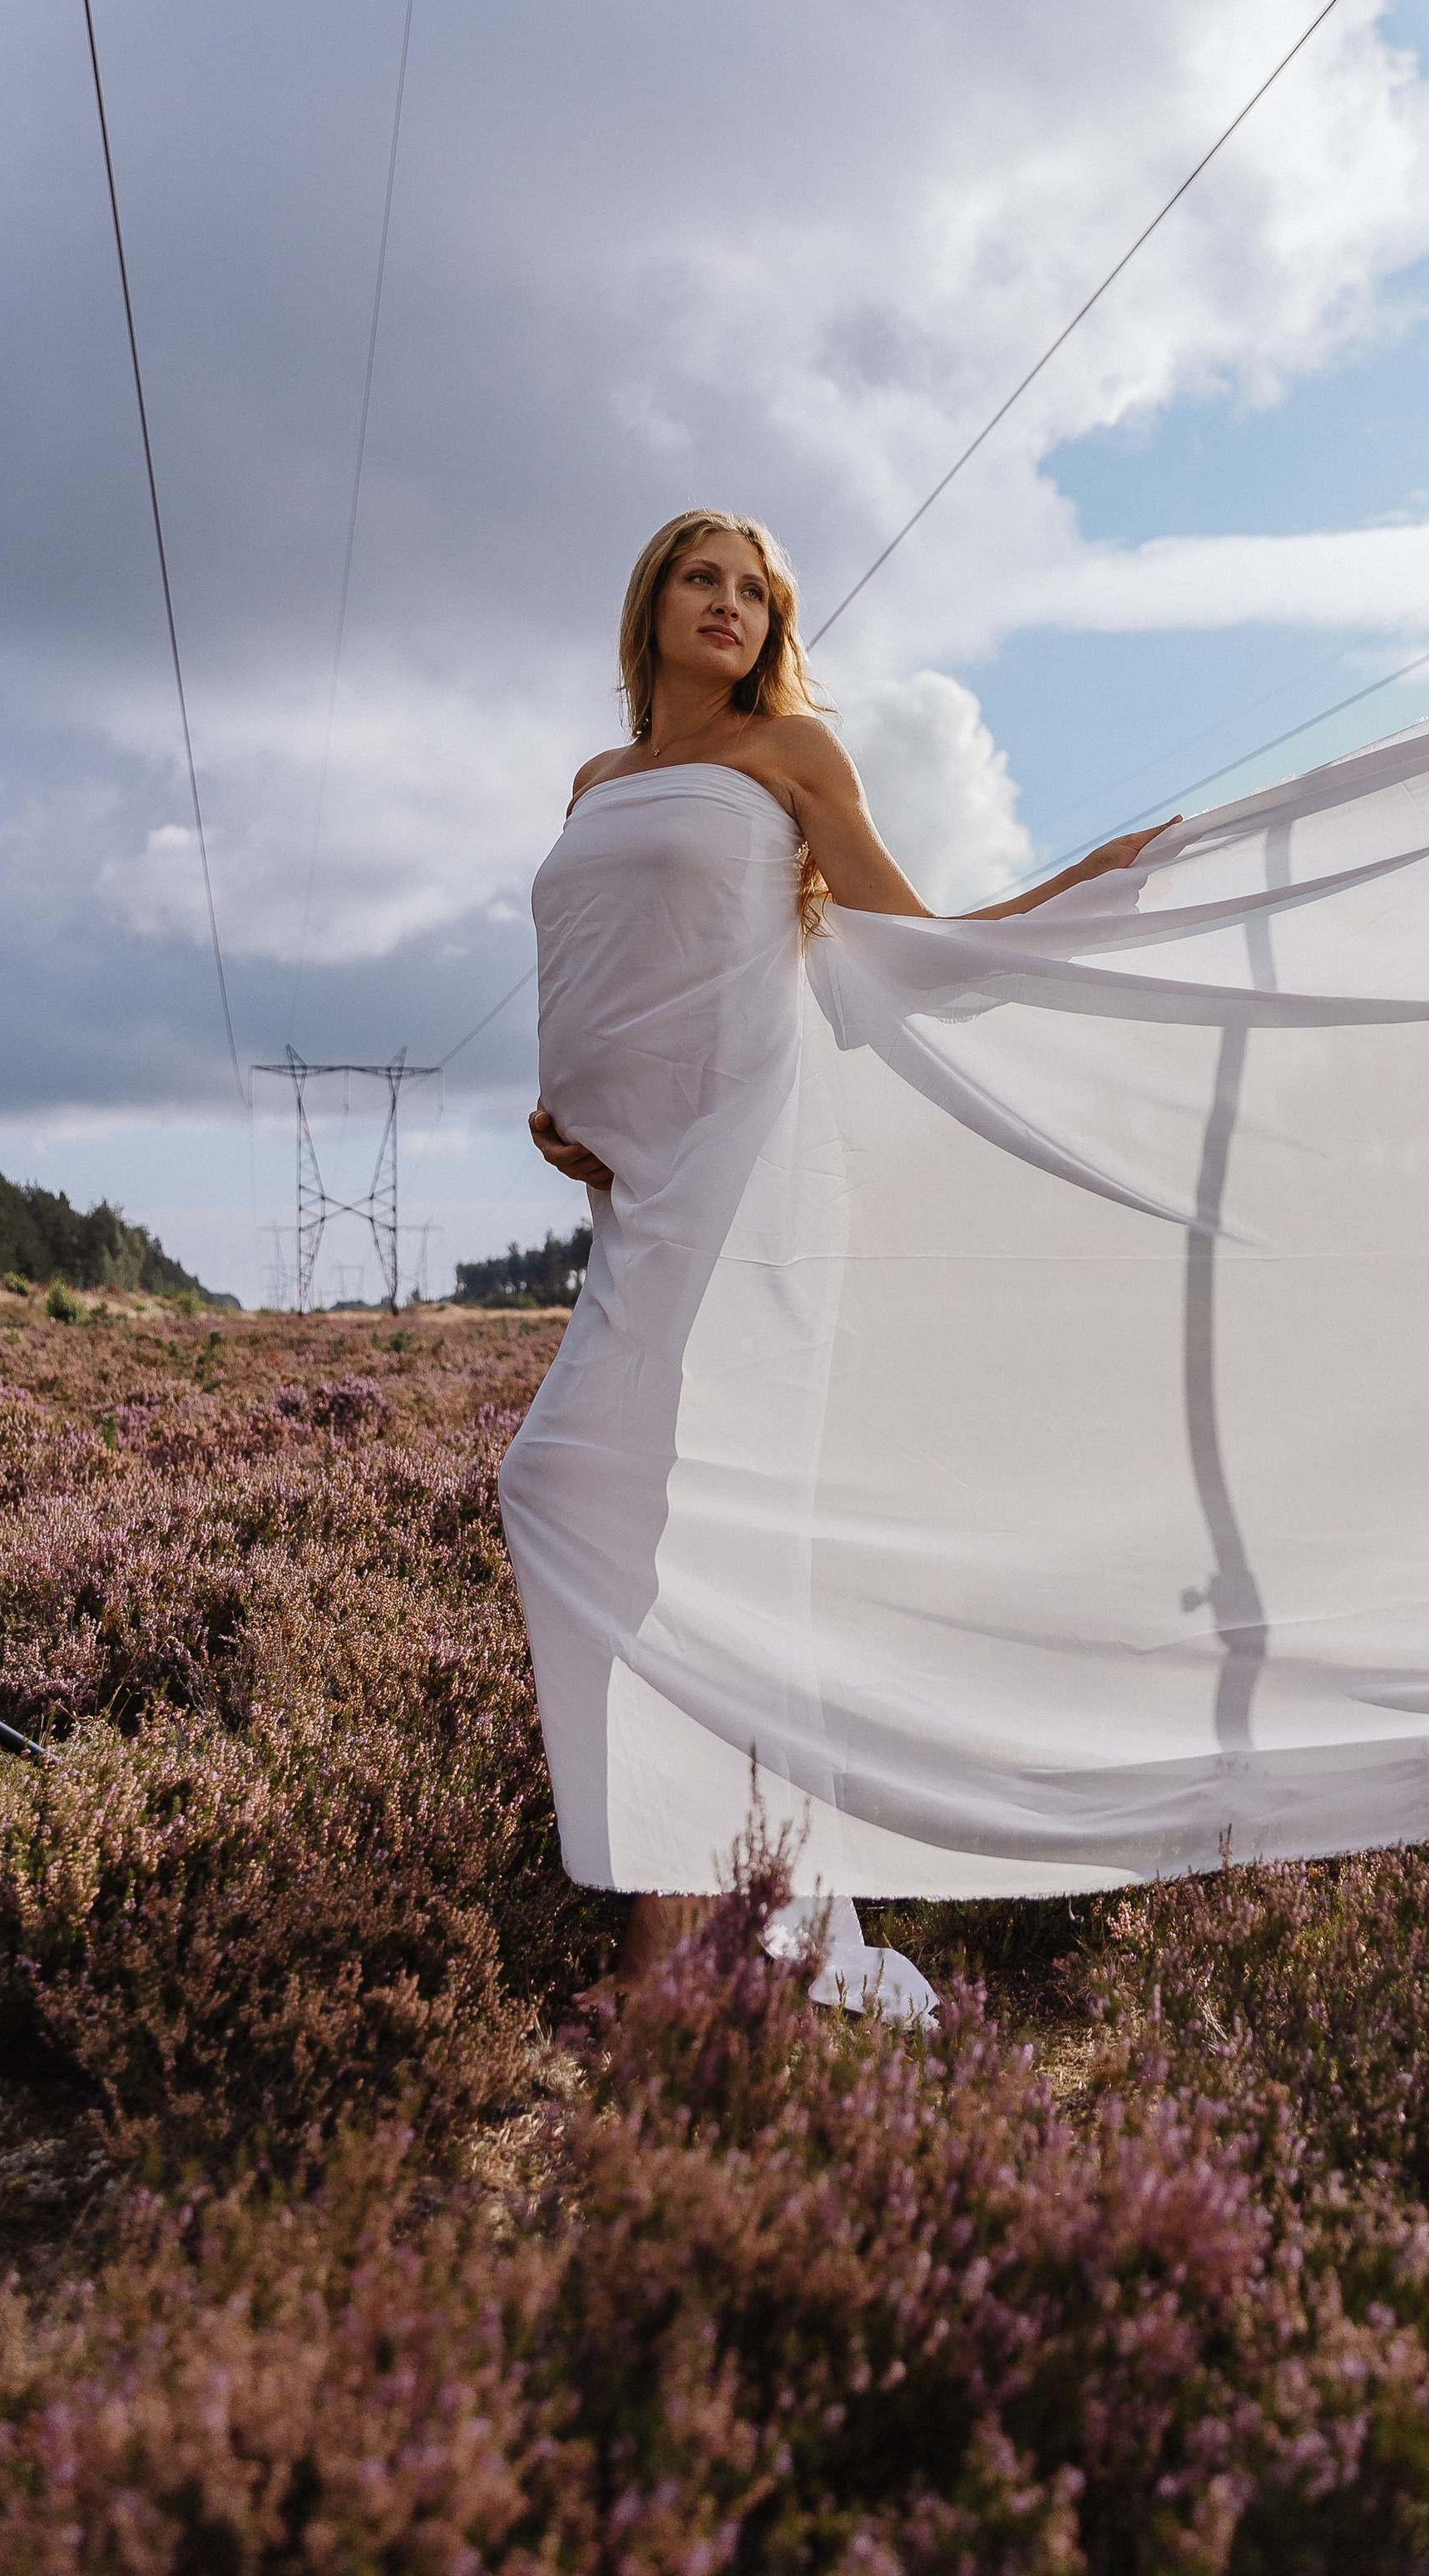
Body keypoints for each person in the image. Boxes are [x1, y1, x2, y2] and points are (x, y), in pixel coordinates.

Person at [502, 507, 1174, 1998]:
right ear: (651, 602)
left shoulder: (791, 757)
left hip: (754, 1194)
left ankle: (673, 1946)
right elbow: (610, 962)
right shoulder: (597, 780)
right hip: (640, 1197)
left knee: (632, 1517)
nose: (728, 605)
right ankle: (714, 1918)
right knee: (611, 1521)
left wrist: (1077, 889)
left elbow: (911, 948)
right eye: (701, 577)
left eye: (755, 590)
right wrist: (571, 1110)